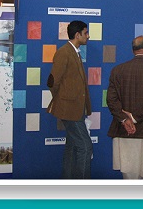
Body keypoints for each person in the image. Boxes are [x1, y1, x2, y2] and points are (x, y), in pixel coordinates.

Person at [106, 36, 143, 179]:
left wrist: (125, 119)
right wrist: (133, 118)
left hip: (125, 132)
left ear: (133, 50)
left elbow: (111, 100)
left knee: (130, 178)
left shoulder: (117, 70)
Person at [46, 20, 92, 179]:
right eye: (86, 33)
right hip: (69, 110)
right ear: (77, 35)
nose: (88, 36)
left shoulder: (74, 52)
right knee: (85, 146)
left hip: (75, 110)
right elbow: (52, 82)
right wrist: (63, 100)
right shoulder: (64, 52)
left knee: (72, 147)